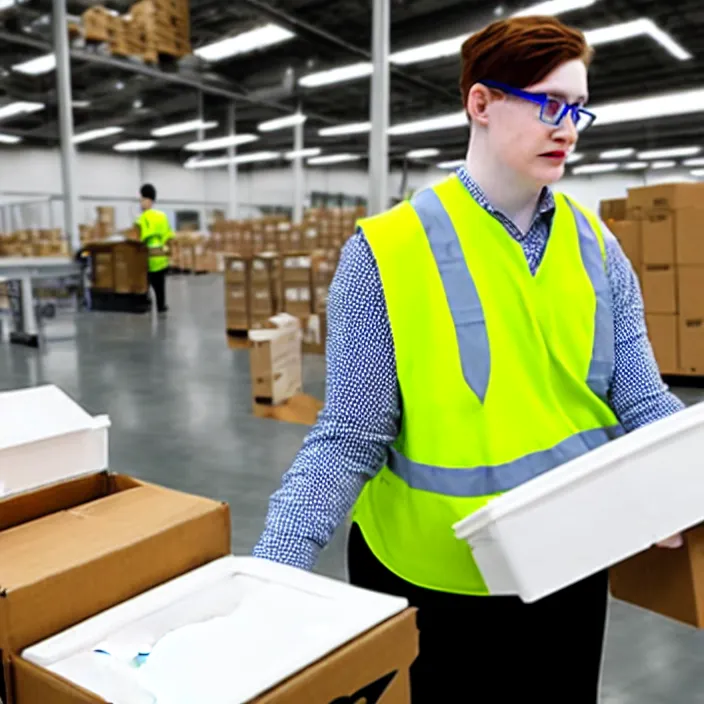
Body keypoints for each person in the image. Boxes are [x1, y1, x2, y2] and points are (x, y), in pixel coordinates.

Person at [253, 15, 685, 702]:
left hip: (567, 567)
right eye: (549, 103)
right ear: (481, 103)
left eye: (578, 109)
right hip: (430, 580)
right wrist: (275, 565)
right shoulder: (384, 253)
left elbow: (639, 395)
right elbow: (349, 436)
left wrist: (681, 479)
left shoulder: (598, 248)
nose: (567, 126)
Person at [135, 183, 172, 313]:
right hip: (161, 257)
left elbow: (139, 238)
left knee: (145, 286)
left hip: (148, 258)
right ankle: (161, 306)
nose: (140, 203)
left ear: (148, 200)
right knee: (160, 286)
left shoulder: (142, 218)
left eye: (141, 200)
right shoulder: (162, 216)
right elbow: (168, 236)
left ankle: (147, 305)